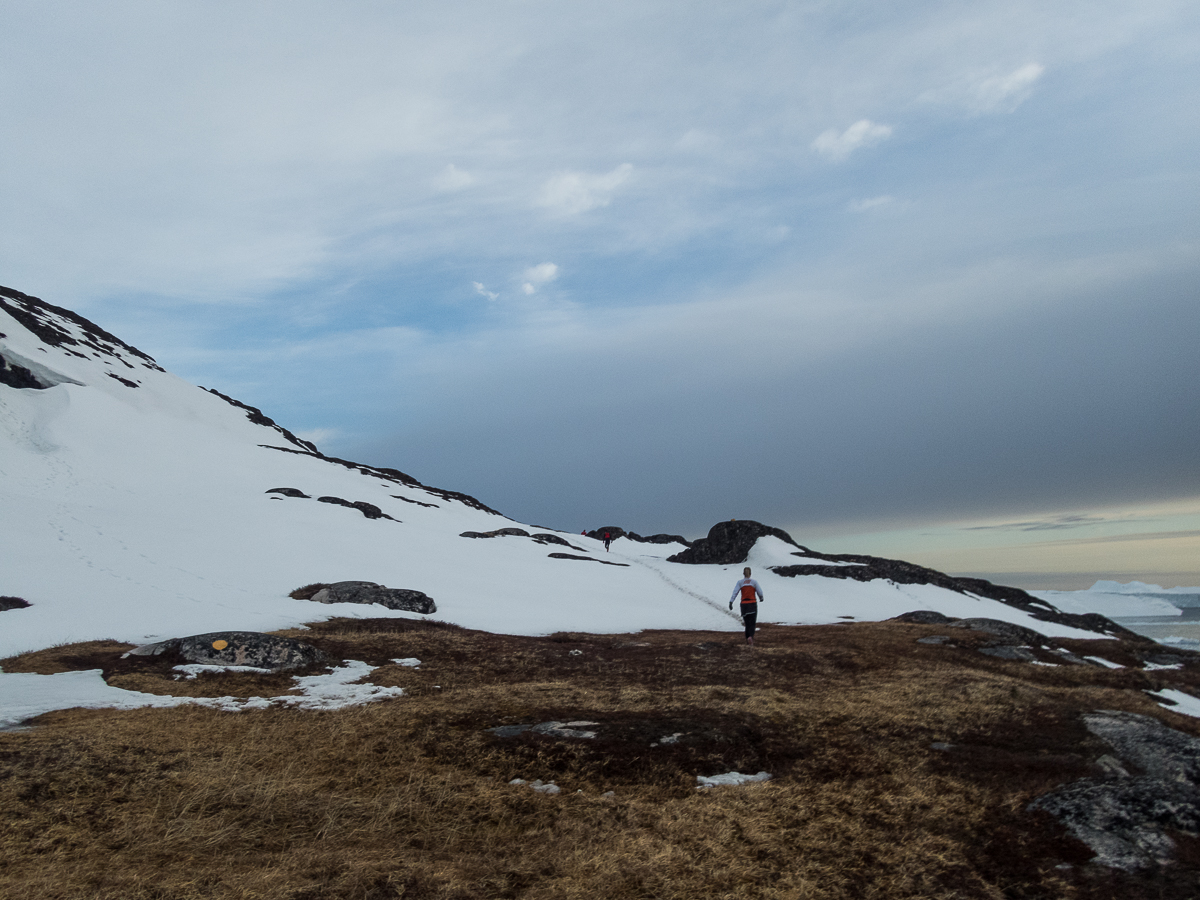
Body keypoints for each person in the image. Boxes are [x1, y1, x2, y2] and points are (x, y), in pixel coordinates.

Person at [729, 566, 764, 646]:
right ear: (750, 574)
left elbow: (735, 592)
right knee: (752, 623)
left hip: (744, 605)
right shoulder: (754, 582)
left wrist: (731, 602)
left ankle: (747, 638)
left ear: (743, 574)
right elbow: (760, 592)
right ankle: (751, 637)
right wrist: (761, 598)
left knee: (747, 623)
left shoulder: (740, 582)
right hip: (752, 604)